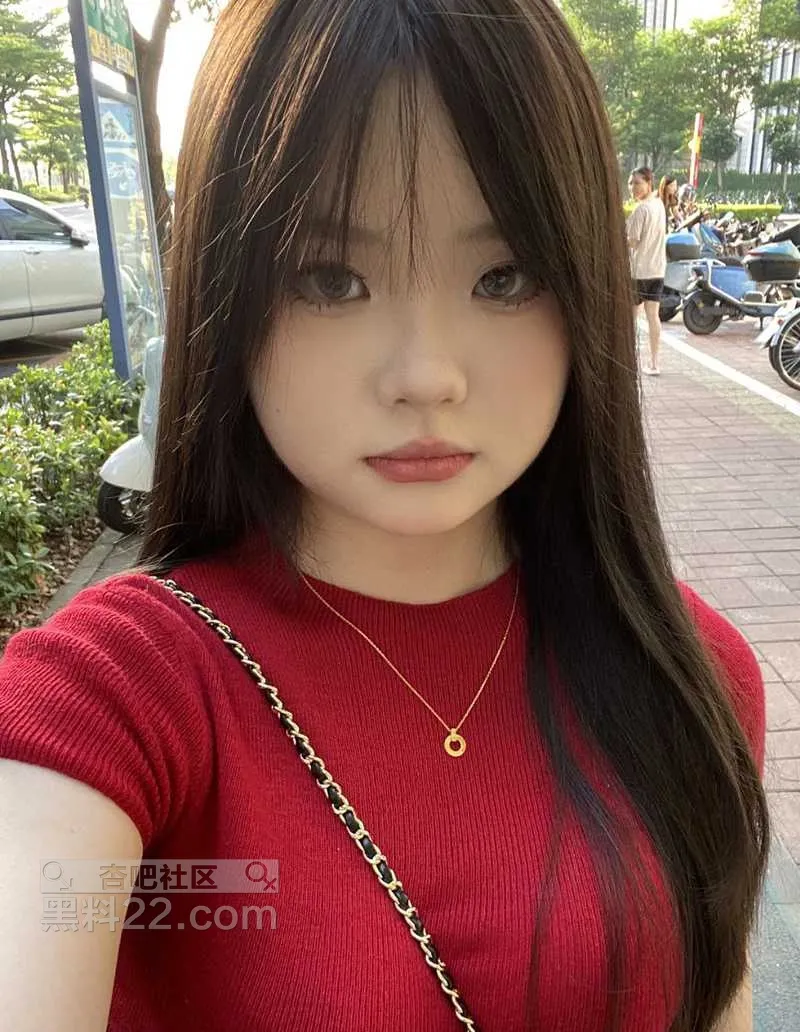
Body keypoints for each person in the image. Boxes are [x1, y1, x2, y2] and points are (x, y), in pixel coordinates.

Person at [0, 2, 767, 1031]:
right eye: (330, 279)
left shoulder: (691, 676)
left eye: (503, 277)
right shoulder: (123, 699)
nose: (425, 375)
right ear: (229, 296)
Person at [627, 167, 667, 376]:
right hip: (657, 270)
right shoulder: (659, 205)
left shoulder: (641, 210)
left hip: (639, 271)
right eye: (631, 183)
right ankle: (654, 362)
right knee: (653, 317)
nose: (632, 187)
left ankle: (629, 361)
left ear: (648, 183)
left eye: (637, 183)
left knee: (631, 319)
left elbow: (632, 242)